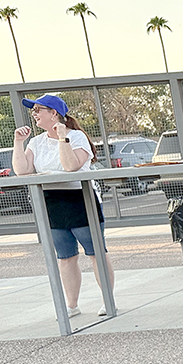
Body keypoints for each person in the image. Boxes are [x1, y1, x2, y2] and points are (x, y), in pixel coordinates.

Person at [11, 94, 114, 318]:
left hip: (79, 198)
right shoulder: (36, 142)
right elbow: (22, 170)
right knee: (65, 256)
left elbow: (71, 166)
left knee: (96, 251)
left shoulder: (76, 137)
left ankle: (108, 299)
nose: (35, 114)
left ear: (54, 113)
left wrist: (62, 138)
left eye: (39, 110)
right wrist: (18, 143)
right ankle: (71, 304)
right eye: (33, 111)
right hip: (52, 201)